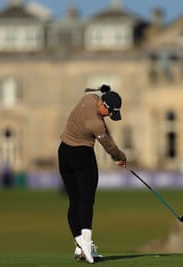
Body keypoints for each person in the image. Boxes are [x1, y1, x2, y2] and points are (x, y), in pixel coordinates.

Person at [58, 84, 126, 263]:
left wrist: (103, 89)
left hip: (64, 153)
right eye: (109, 113)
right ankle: (87, 245)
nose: (109, 117)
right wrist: (120, 157)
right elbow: (109, 146)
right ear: (104, 106)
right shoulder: (96, 125)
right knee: (87, 200)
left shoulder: (89, 99)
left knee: (75, 201)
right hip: (82, 156)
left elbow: (92, 92)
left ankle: (80, 246)